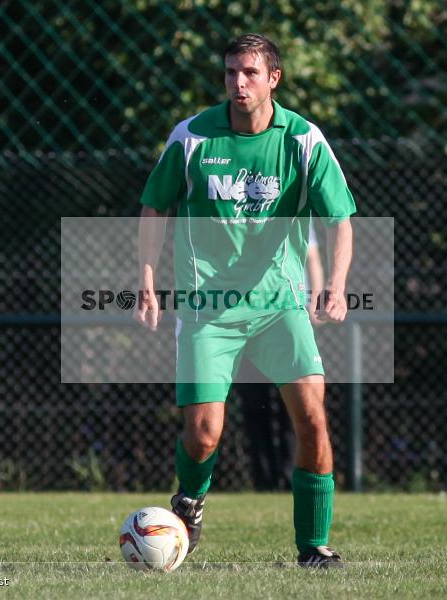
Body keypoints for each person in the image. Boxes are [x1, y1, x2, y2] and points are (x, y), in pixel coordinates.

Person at [134, 33, 355, 568]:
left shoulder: (302, 140)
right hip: (208, 308)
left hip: (280, 306)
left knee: (313, 418)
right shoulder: (191, 138)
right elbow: (154, 207)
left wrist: (337, 284)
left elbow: (339, 219)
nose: (238, 82)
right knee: (205, 434)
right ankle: (190, 499)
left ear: (273, 79)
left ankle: (313, 547)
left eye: (250, 72)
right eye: (231, 72)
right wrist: (146, 278)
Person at [235, 227, 324, 492]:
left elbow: (312, 257)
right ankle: (264, 479)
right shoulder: (238, 207)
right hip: (245, 317)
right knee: (255, 404)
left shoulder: (293, 199)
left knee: (295, 406)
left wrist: (316, 298)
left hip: (287, 318)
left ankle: (290, 476)